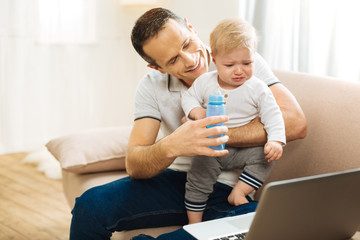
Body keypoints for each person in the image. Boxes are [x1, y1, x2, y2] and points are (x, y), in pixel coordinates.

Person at [69, 7, 307, 240]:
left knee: (271, 224)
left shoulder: (236, 61)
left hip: (228, 190)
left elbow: (295, 123)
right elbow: (135, 164)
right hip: (174, 181)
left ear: (191, 28)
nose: (190, 59)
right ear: (157, 67)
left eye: (186, 44)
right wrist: (173, 145)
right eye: (173, 60)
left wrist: (213, 134)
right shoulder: (152, 85)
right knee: (90, 206)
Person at [182, 18, 286, 224]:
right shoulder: (205, 82)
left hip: (245, 149)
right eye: (230, 65)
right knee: (197, 178)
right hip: (213, 148)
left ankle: (239, 192)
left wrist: (276, 141)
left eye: (247, 63)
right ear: (214, 60)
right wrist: (195, 111)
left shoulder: (257, 88)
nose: (239, 71)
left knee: (266, 156)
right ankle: (194, 222)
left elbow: (273, 115)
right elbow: (188, 97)